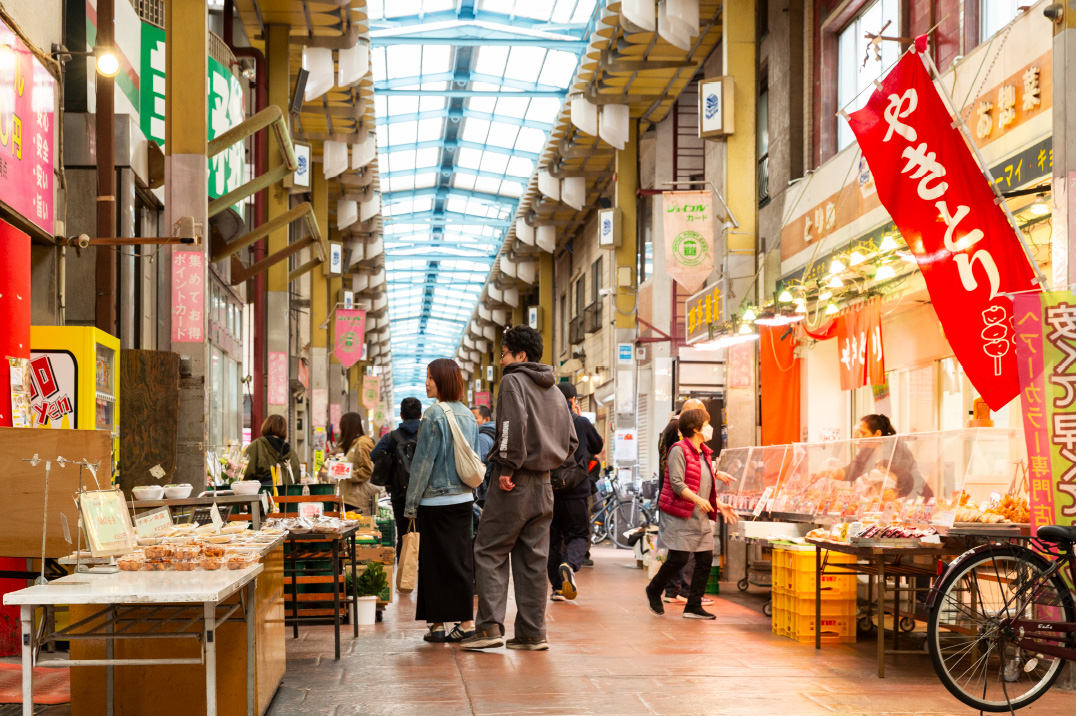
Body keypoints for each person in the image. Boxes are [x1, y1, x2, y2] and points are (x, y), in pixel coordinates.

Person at [462, 325, 577, 652]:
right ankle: (531, 632)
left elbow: (510, 426)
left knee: (489, 549)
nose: (501, 361)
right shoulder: (556, 392)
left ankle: (488, 628)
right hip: (545, 488)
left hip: (514, 482)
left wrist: (509, 467)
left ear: (520, 355)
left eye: (504, 354)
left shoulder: (513, 382)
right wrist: (547, 462)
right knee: (532, 559)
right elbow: (572, 442)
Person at [404, 359, 479, 644]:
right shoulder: (470, 416)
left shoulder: (433, 415)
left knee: (433, 563)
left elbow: (423, 463)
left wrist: (411, 505)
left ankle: (436, 625)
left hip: (434, 502)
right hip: (462, 501)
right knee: (460, 561)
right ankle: (466, 622)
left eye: (430, 378)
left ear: (444, 381)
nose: (426, 383)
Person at [645, 406, 738, 619]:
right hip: (680, 514)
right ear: (695, 428)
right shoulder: (678, 450)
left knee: (705, 558)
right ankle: (654, 589)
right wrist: (698, 500)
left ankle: (693, 605)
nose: (709, 428)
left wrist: (719, 505)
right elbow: (677, 484)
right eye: (706, 425)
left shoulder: (704, 453)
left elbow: (705, 484)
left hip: (699, 514)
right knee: (678, 558)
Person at [656, 399, 713, 605]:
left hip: (679, 499)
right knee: (683, 551)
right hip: (679, 501)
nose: (708, 428)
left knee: (685, 552)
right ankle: (676, 590)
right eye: (704, 420)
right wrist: (696, 498)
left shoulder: (689, 442)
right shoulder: (679, 440)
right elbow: (678, 479)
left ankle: (679, 592)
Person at [549, 382, 603, 602]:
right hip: (576, 490)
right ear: (572, 401)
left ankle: (558, 588)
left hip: (550, 490)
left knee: (553, 539)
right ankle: (569, 564)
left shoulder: (546, 421)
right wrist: (581, 421)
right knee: (578, 534)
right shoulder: (580, 421)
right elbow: (597, 446)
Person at [370, 397, 423, 557]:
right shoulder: (427, 434)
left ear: (401, 415)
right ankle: (423, 577)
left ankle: (403, 576)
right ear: (421, 414)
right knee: (423, 534)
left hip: (399, 493)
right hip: (424, 494)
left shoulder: (391, 437)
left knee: (403, 534)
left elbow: (374, 456)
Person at [843, 414, 932, 499]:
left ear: (877, 434)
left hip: (913, 495)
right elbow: (853, 469)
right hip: (890, 498)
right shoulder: (867, 450)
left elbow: (899, 481)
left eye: (863, 433)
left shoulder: (896, 448)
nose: (859, 438)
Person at [334, 412, 379, 515]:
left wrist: (345, 473)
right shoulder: (354, 444)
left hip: (355, 498)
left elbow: (367, 470)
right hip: (349, 496)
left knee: (354, 528)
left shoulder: (362, 444)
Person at [243, 414, 301, 487]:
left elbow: (245, 473)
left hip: (262, 495)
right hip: (286, 496)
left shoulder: (257, 445)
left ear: (266, 426)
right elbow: (296, 479)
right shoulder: (291, 452)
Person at [471, 405, 497, 507]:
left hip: (483, 491)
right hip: (493, 487)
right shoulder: (495, 432)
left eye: (475, 418)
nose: (471, 422)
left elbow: (478, 465)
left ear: (486, 419)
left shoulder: (482, 437)